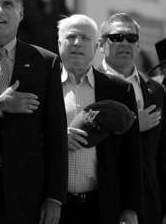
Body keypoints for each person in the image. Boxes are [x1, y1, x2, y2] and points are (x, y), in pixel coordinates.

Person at [0, 0, 68, 224]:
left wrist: (54, 197)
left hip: (27, 195)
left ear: (21, 12)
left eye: (8, 4)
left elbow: (56, 134)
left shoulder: (45, 62)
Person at [57, 14, 142, 224]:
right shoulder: (43, 84)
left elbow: (131, 151)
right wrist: (57, 138)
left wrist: (130, 207)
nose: (77, 43)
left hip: (101, 205)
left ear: (96, 47)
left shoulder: (119, 89)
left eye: (85, 38)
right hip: (53, 205)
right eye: (71, 37)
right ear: (59, 43)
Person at [97, 13, 166, 224]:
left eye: (131, 38)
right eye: (116, 37)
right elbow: (87, 140)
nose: (125, 43)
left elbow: (162, 153)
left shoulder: (156, 90)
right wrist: (135, 125)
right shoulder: (90, 84)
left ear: (137, 46)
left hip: (150, 205)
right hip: (104, 203)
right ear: (101, 45)